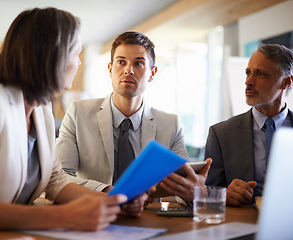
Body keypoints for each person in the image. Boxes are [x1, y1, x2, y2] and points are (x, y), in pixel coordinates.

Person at [0, 8, 147, 239]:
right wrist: (65, 217)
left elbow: (55, 181)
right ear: (53, 55)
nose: (78, 62)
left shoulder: (41, 109)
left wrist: (112, 202)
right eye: (76, 53)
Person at [56, 31, 211, 203]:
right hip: (93, 212)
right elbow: (59, 177)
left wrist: (195, 192)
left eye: (138, 64)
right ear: (110, 69)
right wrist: (108, 192)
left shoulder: (171, 124)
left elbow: (183, 185)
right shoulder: (78, 113)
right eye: (121, 62)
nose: (128, 70)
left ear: (152, 73)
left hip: (148, 219)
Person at [205, 43, 293, 206]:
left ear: (286, 82)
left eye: (261, 74)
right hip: (241, 225)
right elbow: (206, 191)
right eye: (248, 73)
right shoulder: (221, 134)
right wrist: (224, 194)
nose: (248, 82)